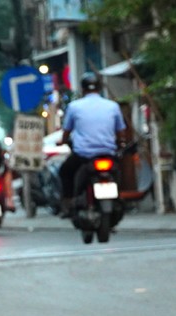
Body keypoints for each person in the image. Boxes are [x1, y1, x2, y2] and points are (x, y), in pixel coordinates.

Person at [59, 71, 128, 218]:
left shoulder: (74, 107)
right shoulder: (112, 106)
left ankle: (68, 202)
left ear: (83, 89)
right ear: (100, 87)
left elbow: (66, 131)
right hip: (108, 153)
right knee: (120, 171)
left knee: (65, 171)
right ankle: (121, 198)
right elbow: (121, 131)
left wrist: (63, 142)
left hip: (84, 155)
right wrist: (121, 144)